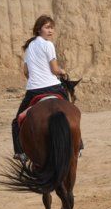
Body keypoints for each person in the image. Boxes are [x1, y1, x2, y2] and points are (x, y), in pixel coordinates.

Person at [11, 15, 69, 162]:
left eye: (52, 27)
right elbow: (55, 70)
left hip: (34, 90)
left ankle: (20, 152)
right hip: (53, 87)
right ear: (39, 29)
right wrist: (63, 72)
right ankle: (79, 143)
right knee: (69, 110)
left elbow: (26, 72)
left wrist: (35, 78)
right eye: (47, 27)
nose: (50, 31)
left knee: (17, 121)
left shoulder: (29, 47)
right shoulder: (48, 45)